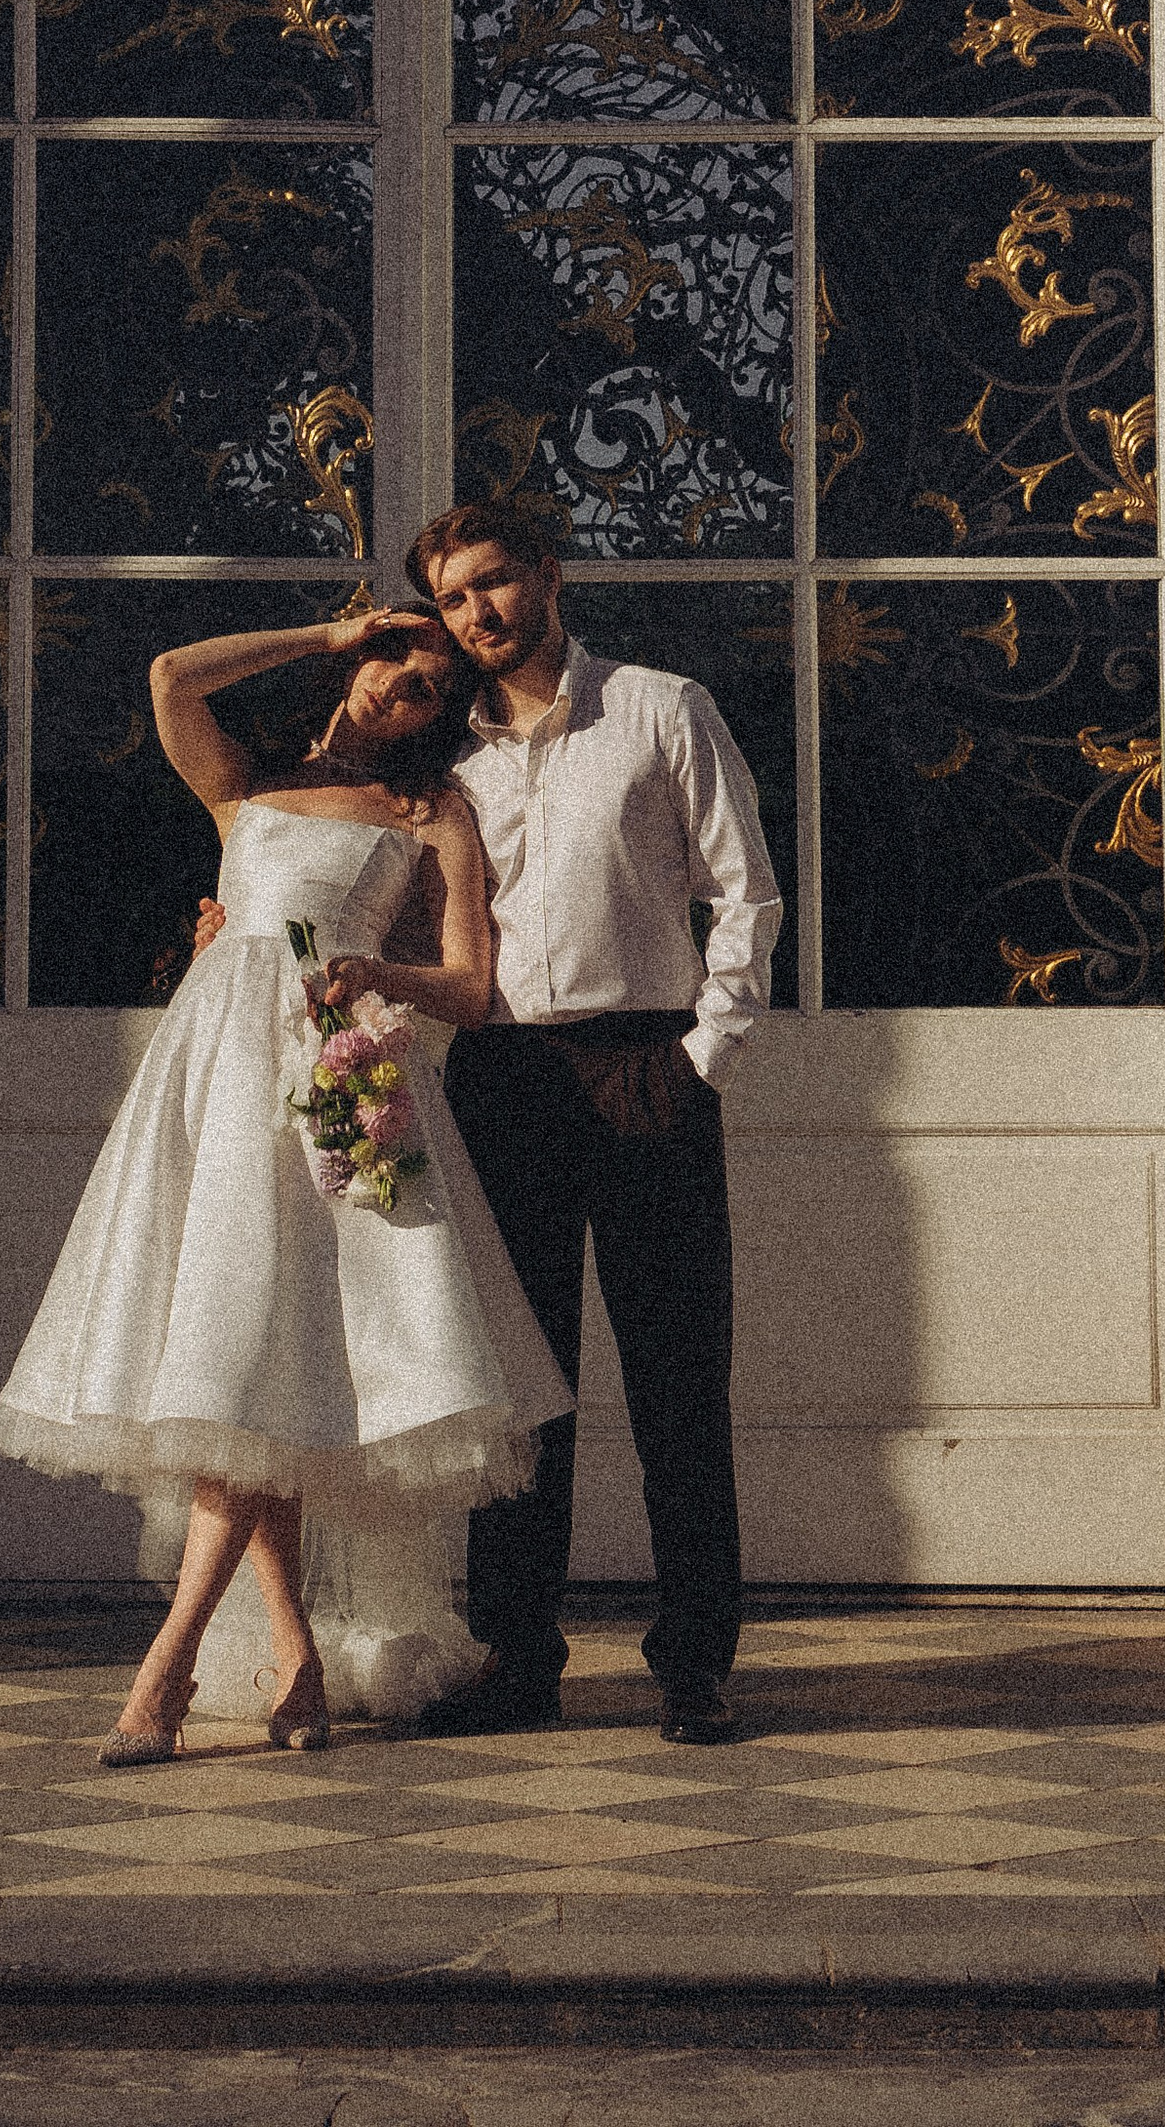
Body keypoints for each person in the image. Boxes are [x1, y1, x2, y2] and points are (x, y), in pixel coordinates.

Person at [0, 606, 570, 1766]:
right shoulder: (245, 787)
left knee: (261, 1372)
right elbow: (166, 665)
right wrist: (325, 632)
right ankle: (294, 1662)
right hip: (211, 1085)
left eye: (436, 683)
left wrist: (373, 972)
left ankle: (170, 1664)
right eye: (399, 660)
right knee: (253, 1375)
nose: (411, 685)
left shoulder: (428, 810)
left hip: (333, 1085)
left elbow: (468, 984)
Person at [410, 499, 781, 1748]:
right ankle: (519, 1661)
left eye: (494, 584)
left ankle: (694, 1663)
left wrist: (702, 1056)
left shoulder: (662, 709)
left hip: (643, 1066)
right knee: (523, 1394)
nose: (478, 615)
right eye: (454, 599)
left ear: (549, 577)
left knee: (678, 1378)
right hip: (500, 1079)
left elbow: (744, 890)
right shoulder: (439, 758)